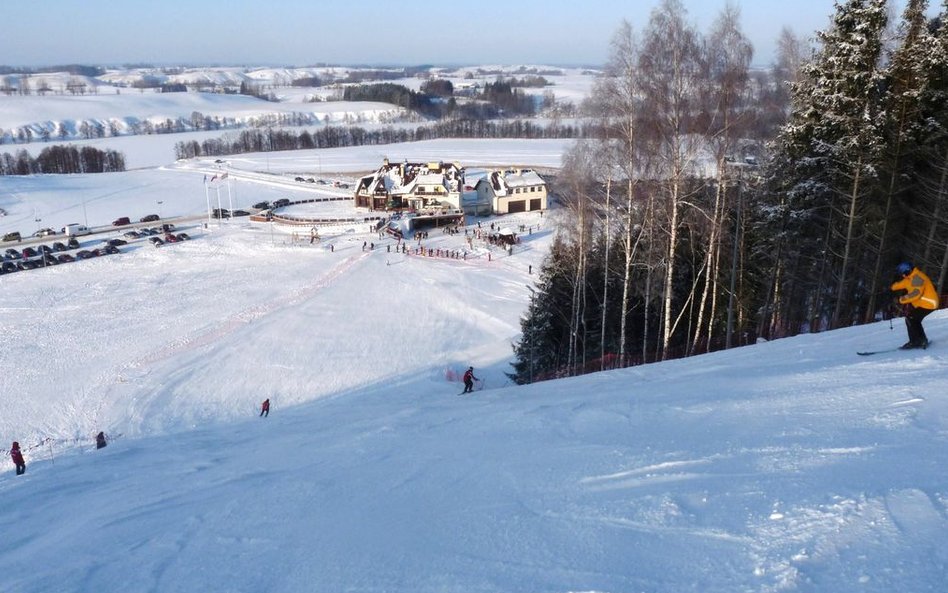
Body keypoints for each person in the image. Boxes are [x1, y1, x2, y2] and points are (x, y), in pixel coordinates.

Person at [891, 261, 938, 349]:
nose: (903, 276)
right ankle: (921, 340)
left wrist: (900, 300)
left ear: (908, 270)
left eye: (904, 273)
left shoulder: (918, 278)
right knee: (913, 319)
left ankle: (915, 341)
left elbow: (915, 294)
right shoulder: (910, 278)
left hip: (929, 303)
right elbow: (901, 284)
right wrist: (892, 287)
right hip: (924, 304)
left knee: (911, 318)